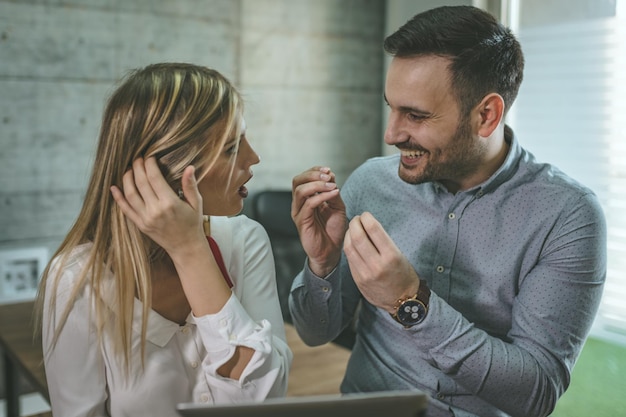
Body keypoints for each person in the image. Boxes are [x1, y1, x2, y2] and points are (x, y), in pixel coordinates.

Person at [288, 5, 606, 417]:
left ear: (486, 115)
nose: (391, 134)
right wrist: (321, 264)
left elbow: (537, 393)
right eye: (392, 107)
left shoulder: (567, 216)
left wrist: (409, 301)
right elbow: (314, 334)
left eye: (416, 116)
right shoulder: (371, 183)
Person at [36, 63, 292, 417]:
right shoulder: (74, 281)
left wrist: (191, 252)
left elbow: (266, 400)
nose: (254, 158)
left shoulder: (247, 240)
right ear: (163, 171)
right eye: (231, 148)